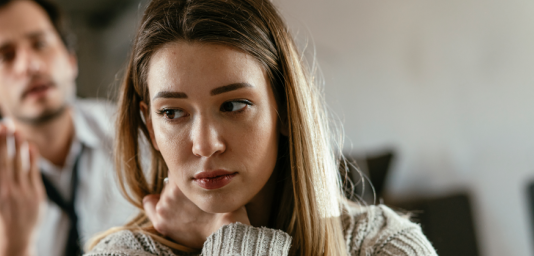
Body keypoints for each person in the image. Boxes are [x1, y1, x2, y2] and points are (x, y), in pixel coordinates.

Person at [85, 0, 438, 255]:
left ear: (284, 109)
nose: (205, 145)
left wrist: (223, 236)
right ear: (150, 126)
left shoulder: (384, 244)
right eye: (173, 113)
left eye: (233, 105)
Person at [0, 0, 136, 256]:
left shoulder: (136, 133)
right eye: (5, 55)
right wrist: (14, 243)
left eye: (40, 44)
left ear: (71, 60)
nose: (31, 65)